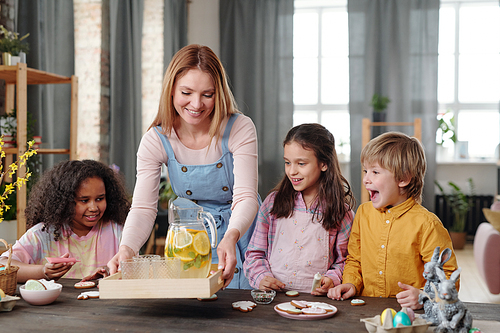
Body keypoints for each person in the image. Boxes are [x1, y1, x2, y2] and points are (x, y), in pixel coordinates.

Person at [107, 44, 260, 289]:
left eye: (207, 95)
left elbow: (246, 197)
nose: (196, 104)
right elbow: (144, 208)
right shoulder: (156, 139)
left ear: (218, 93)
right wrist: (127, 248)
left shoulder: (240, 128)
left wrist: (231, 236)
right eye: (186, 92)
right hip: (191, 235)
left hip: (241, 231)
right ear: (171, 90)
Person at [327, 132, 458, 309]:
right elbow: (355, 259)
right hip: (366, 309)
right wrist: (351, 283)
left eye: (375, 172)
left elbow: (447, 275)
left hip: (410, 315)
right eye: (366, 171)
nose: (366, 179)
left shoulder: (427, 224)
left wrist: (424, 296)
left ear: (403, 178)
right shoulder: (363, 213)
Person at [243, 123, 355, 294]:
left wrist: (331, 279)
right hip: (275, 300)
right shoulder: (272, 203)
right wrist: (261, 277)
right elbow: (254, 254)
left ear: (324, 164)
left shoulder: (342, 213)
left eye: (301, 163)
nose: (292, 171)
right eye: (287, 163)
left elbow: (344, 261)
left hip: (317, 304)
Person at [0, 160, 131, 282]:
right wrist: (43, 271)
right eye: (84, 200)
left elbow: (136, 268)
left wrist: (112, 272)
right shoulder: (42, 234)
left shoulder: (117, 231)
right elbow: (3, 265)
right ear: (63, 202)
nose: (93, 207)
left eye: (100, 198)